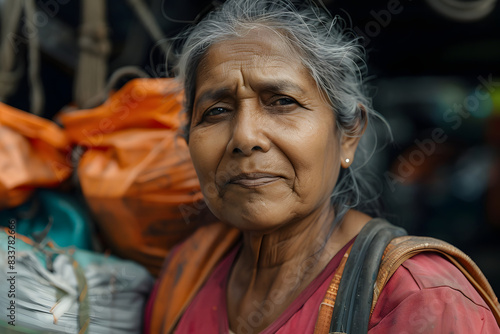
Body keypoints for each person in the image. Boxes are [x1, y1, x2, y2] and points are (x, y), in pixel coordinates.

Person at [145, 0, 500, 333]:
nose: (245, 136)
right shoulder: (186, 272)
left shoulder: (421, 298)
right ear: (188, 138)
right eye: (216, 111)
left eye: (282, 102)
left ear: (348, 134)